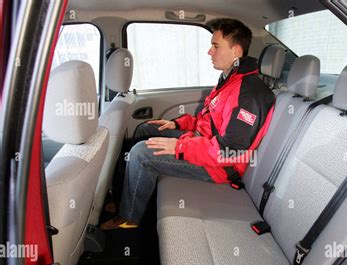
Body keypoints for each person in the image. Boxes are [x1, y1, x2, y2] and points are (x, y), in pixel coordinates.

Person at [101, 18, 275, 230]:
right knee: (146, 129)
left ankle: (130, 218)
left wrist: (181, 147)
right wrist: (176, 124)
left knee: (140, 153)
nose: (209, 52)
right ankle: (126, 197)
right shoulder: (230, 79)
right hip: (204, 144)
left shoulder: (250, 93)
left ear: (236, 51)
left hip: (219, 166)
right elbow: (206, 120)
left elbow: (230, 150)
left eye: (215, 46)